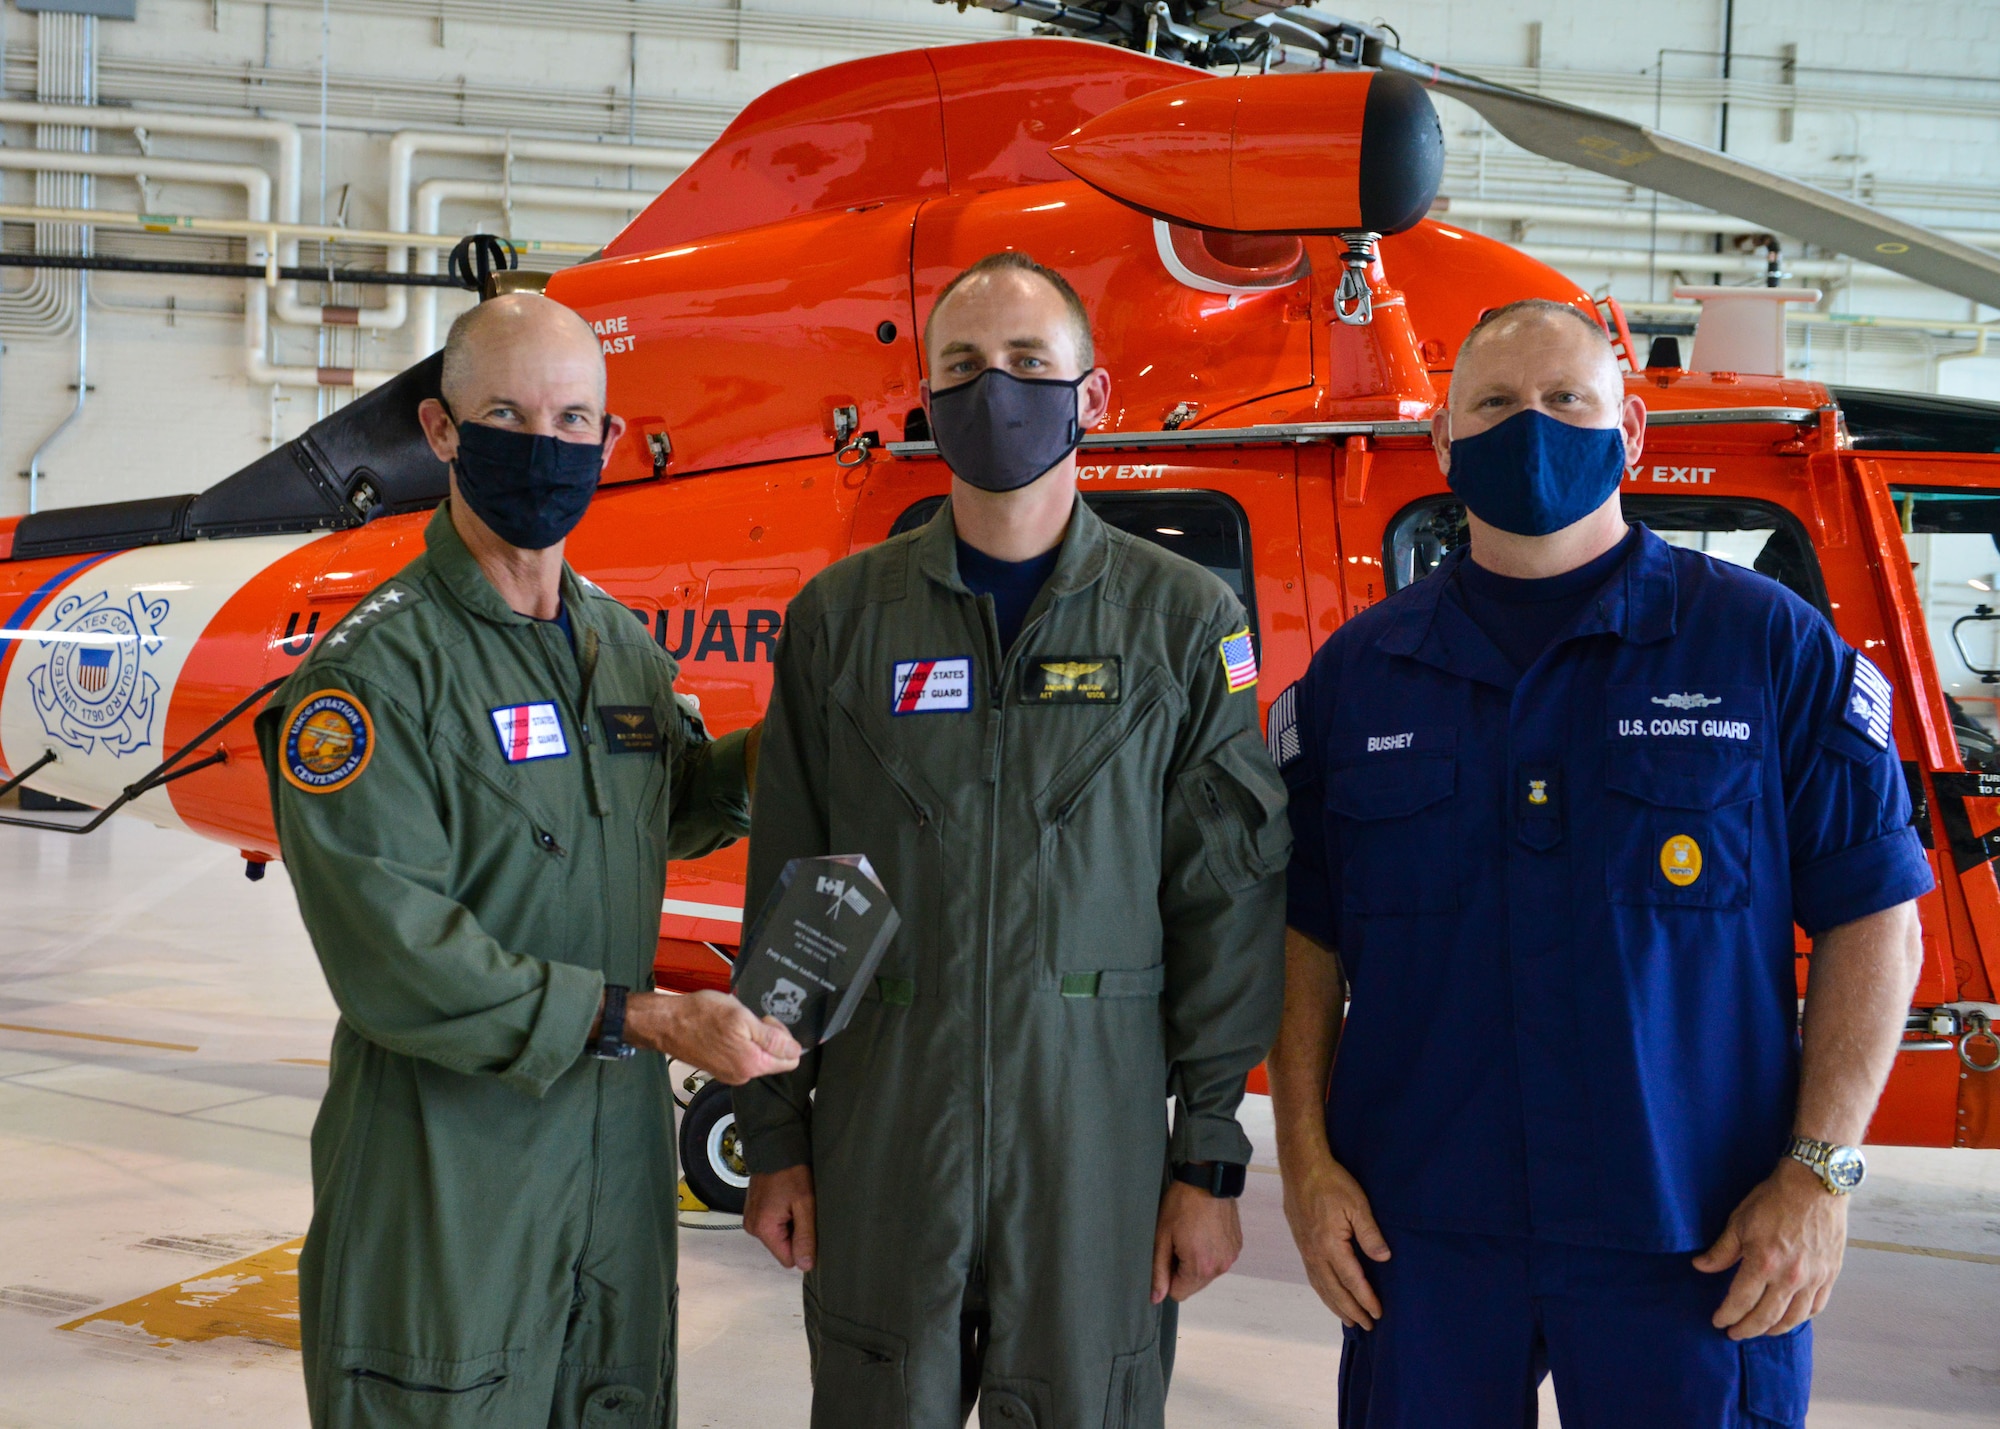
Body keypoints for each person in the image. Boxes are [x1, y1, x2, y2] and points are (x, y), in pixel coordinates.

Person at [1266, 298, 1932, 1428]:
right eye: (1492, 403)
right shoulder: (1360, 675)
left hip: (1697, 1236)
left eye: (1563, 401)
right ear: (1440, 442)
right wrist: (1303, 1165)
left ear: (1627, 433)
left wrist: (1821, 1173)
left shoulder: (1762, 646)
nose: (1529, 426)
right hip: (1421, 1239)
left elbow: (1878, 916)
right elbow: (1303, 937)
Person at [733, 251, 1289, 1428]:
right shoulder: (842, 620)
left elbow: (1221, 904)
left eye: (1029, 364)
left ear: (1090, 396)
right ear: (927, 403)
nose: (997, 390)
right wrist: (776, 1136)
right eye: (965, 368)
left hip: (1092, 1153)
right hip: (887, 1140)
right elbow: (793, 894)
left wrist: (1206, 1161)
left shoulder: (1183, 623)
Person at [255, 292, 802, 1429]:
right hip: (446, 1171)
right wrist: (649, 1020)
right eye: (504, 413)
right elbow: (395, 958)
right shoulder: (373, 679)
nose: (541, 446)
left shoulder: (619, 649)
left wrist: (798, 730)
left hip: (611, 1165)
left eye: (569, 421)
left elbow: (675, 801)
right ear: (442, 432)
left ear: (608, 443)